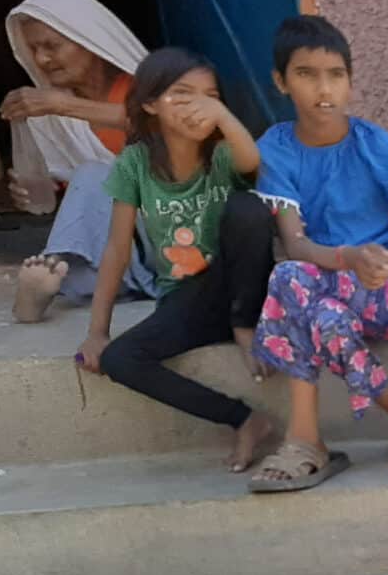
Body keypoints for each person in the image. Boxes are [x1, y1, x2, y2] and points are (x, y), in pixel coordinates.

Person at [249, 16, 388, 493]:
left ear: (350, 83)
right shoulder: (275, 148)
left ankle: (304, 441)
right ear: (280, 81)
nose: (324, 88)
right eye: (306, 74)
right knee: (316, 307)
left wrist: (381, 264)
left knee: (292, 283)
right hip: (328, 290)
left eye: (335, 75)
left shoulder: (373, 144)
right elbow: (295, 244)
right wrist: (348, 259)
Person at [78, 49, 280, 473]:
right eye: (183, 94)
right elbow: (117, 247)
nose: (200, 106)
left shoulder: (222, 154)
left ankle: (244, 326)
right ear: (150, 103)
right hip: (188, 299)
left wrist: (223, 117)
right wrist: (98, 331)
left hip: (246, 290)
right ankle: (244, 419)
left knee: (249, 208)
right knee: (120, 359)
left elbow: (251, 162)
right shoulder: (135, 163)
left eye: (210, 95)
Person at [1, 0, 151, 322]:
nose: (41, 59)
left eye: (52, 46)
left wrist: (65, 106)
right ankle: (46, 286)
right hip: (115, 244)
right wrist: (45, 190)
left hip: (170, 227)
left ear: (89, 41)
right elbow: (77, 199)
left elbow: (170, 126)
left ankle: (58, 273)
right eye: (33, 49)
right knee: (89, 178)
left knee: (94, 172)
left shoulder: (148, 87)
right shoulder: (49, 111)